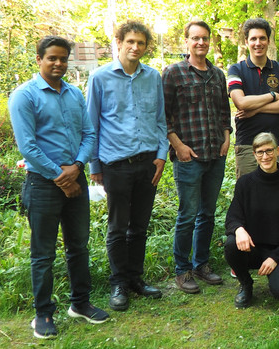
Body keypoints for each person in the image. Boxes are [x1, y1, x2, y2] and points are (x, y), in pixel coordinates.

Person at [10, 35, 108, 339]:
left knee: (78, 246)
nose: (58, 64)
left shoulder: (74, 94)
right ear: (39, 59)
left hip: (74, 178)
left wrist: (76, 167)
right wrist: (59, 176)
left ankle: (80, 303)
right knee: (43, 254)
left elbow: (89, 134)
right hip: (42, 184)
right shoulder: (24, 96)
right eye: (52, 58)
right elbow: (27, 146)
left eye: (63, 58)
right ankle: (43, 314)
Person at [87, 20, 167, 311]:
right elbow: (91, 124)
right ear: (118, 42)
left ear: (146, 46)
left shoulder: (153, 77)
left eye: (141, 43)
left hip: (148, 164)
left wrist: (161, 155)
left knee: (140, 227)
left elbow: (160, 119)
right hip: (115, 164)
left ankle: (136, 279)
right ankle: (118, 283)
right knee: (118, 227)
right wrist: (95, 165)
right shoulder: (100, 78)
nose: (135, 47)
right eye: (130, 41)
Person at [163, 20, 231, 294]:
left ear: (209, 41)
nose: (200, 43)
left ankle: (201, 264)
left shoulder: (218, 75)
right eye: (195, 38)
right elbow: (164, 117)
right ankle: (182, 270)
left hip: (215, 154)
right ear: (187, 41)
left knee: (207, 214)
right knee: (187, 215)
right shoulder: (173, 73)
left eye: (204, 38)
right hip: (188, 157)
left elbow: (224, 113)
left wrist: (226, 137)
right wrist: (177, 146)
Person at [225, 132, 279, 308]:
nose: (265, 156)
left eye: (269, 151)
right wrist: (239, 230)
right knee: (231, 243)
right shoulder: (245, 183)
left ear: (277, 151)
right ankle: (246, 284)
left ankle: (276, 274)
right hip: (250, 250)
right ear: (254, 155)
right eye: (260, 152)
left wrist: (275, 257)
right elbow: (232, 217)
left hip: (278, 252)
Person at [228, 18, 279, 178]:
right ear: (246, 41)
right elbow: (241, 103)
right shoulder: (236, 70)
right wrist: (273, 95)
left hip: (278, 145)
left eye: (262, 38)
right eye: (253, 39)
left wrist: (255, 109)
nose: (258, 43)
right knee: (248, 196)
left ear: (268, 40)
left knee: (277, 197)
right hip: (247, 146)